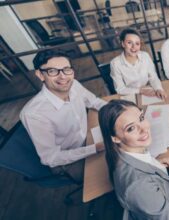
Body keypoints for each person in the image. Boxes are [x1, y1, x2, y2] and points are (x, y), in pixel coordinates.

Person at [20, 50, 107, 182]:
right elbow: (51, 158)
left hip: (88, 137)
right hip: (69, 160)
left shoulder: (74, 85)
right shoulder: (34, 114)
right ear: (40, 75)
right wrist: (94, 148)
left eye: (66, 69)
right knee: (113, 171)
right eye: (53, 71)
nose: (63, 77)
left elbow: (94, 101)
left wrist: (119, 110)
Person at [110, 29, 166, 99]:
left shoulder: (145, 56)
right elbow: (120, 89)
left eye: (137, 43)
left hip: (148, 92)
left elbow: (153, 77)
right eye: (129, 43)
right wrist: (140, 91)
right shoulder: (115, 63)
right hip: (130, 95)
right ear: (123, 44)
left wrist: (158, 88)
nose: (134, 47)